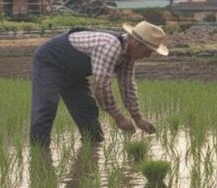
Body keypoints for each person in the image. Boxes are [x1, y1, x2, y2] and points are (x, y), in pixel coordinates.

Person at [29, 21, 167, 146]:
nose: (148, 56)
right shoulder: (110, 46)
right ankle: (39, 154)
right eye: (148, 51)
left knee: (87, 111)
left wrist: (137, 118)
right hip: (50, 61)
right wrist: (118, 118)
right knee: (46, 107)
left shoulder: (129, 55)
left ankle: (92, 155)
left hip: (74, 72)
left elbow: (127, 86)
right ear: (137, 43)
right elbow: (101, 86)